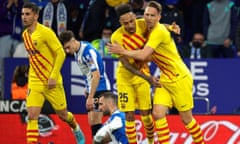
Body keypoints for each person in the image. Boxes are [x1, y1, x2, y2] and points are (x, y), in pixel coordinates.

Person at [108, 1, 205, 144]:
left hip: (180, 78)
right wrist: (170, 27)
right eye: (146, 14)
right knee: (157, 114)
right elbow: (157, 25)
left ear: (159, 17)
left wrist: (122, 51)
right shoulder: (145, 26)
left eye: (152, 15)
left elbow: (143, 55)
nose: (148, 18)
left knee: (186, 120)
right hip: (165, 78)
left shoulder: (158, 32)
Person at [21, 3, 85, 144]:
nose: (24, 17)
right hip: (35, 81)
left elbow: (60, 52)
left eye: (27, 14)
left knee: (63, 115)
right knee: (32, 116)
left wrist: (53, 75)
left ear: (36, 16)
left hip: (52, 81)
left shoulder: (46, 32)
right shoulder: (25, 35)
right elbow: (33, 56)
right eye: (22, 14)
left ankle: (75, 127)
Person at [112, 3, 164, 144]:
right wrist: (147, 78)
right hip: (125, 78)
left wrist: (171, 27)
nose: (129, 25)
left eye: (131, 21)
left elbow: (160, 28)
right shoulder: (116, 37)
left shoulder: (143, 24)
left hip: (142, 74)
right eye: (125, 23)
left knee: (146, 116)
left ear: (135, 17)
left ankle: (151, 141)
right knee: (129, 115)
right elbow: (126, 64)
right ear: (120, 23)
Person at [59, 30, 111, 138]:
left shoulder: (87, 52)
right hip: (93, 88)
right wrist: (87, 88)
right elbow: (88, 73)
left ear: (73, 41)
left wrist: (91, 97)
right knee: (92, 122)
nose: (67, 51)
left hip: (100, 88)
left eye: (68, 47)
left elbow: (96, 75)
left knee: (96, 121)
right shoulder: (77, 52)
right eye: (65, 49)